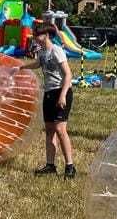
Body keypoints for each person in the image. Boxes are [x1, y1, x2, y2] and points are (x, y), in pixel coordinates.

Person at [21, 23, 76, 179]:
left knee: (60, 130)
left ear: (46, 35)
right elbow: (38, 63)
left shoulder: (57, 51)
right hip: (49, 93)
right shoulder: (43, 52)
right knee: (50, 130)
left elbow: (68, 75)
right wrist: (21, 67)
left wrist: (63, 95)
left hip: (61, 92)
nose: (35, 38)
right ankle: (50, 165)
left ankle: (70, 166)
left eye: (37, 35)